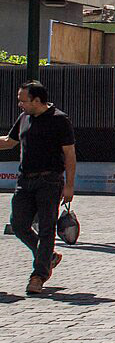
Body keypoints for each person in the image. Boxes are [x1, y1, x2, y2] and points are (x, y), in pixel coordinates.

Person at [2, 81, 75, 295]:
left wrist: (69, 186)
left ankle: (38, 275)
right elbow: (9, 141)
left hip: (49, 181)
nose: (20, 104)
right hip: (25, 181)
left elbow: (69, 154)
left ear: (37, 100)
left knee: (46, 228)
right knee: (18, 225)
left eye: (23, 100)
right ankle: (48, 257)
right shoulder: (24, 117)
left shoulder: (59, 120)